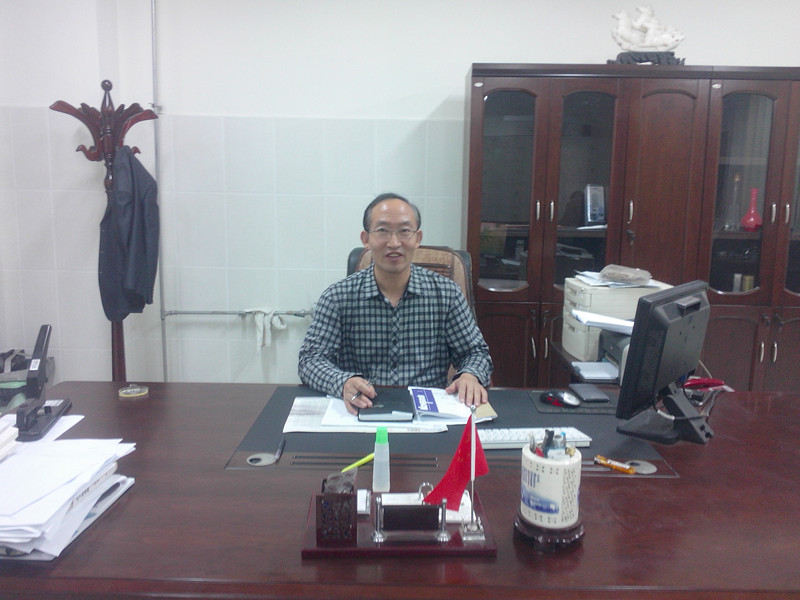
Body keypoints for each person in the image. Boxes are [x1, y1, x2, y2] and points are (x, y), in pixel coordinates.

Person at [298, 193, 492, 414]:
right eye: (382, 231)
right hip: (362, 408)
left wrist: (469, 375)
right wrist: (343, 382)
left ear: (417, 238)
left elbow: (475, 352)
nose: (394, 243)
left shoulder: (446, 294)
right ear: (366, 239)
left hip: (428, 414)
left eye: (404, 231)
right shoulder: (337, 297)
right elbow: (310, 360)